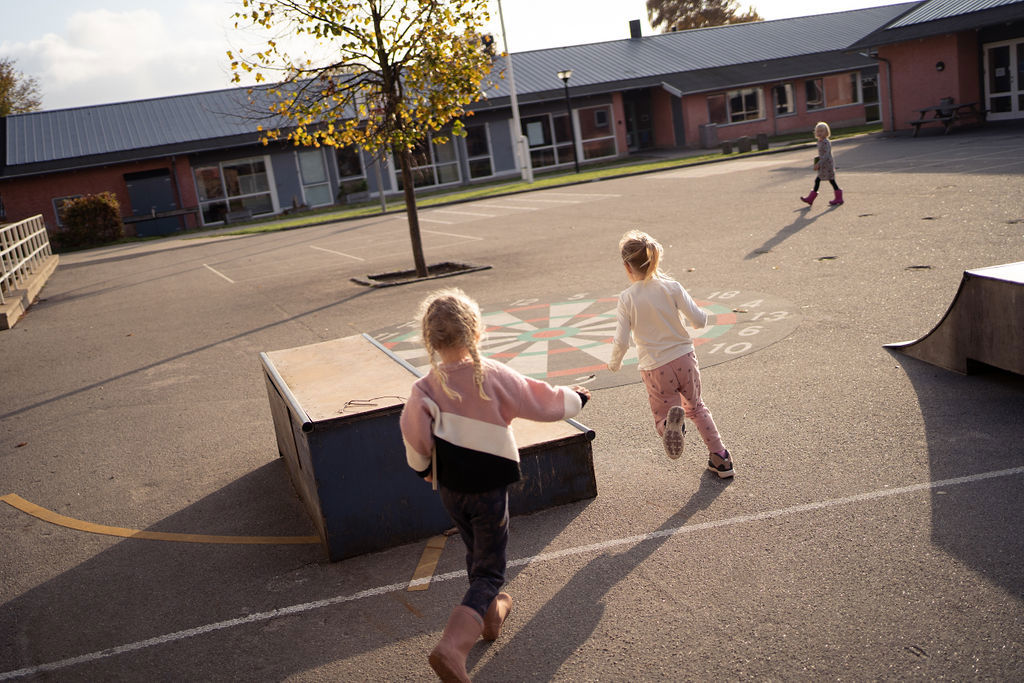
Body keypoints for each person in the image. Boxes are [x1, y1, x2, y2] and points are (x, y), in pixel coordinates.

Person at [400, 288, 591, 682]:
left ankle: (491, 616)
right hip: (488, 489)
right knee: (490, 571)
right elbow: (542, 400)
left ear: (430, 340)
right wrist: (576, 398)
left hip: (452, 490)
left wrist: (424, 471)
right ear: (478, 331)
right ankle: (453, 647)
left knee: (477, 553)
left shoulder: (424, 389)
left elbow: (414, 439)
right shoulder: (492, 375)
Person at [607, 230, 733, 478]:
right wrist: (699, 318)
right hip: (684, 358)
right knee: (697, 407)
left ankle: (669, 426)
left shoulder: (626, 298)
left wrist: (614, 363)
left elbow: (621, 340)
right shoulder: (672, 287)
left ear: (626, 266)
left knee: (662, 414)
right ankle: (721, 459)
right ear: (655, 258)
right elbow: (698, 320)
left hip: (655, 366)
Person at [801, 121, 843, 207]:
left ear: (826, 132)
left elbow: (827, 155)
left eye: (821, 131)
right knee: (823, 180)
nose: (819, 133)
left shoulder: (826, 142)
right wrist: (817, 160)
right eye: (818, 131)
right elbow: (822, 154)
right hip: (823, 164)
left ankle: (838, 197)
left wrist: (818, 163)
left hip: (827, 165)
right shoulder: (820, 141)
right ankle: (811, 198)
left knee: (830, 180)